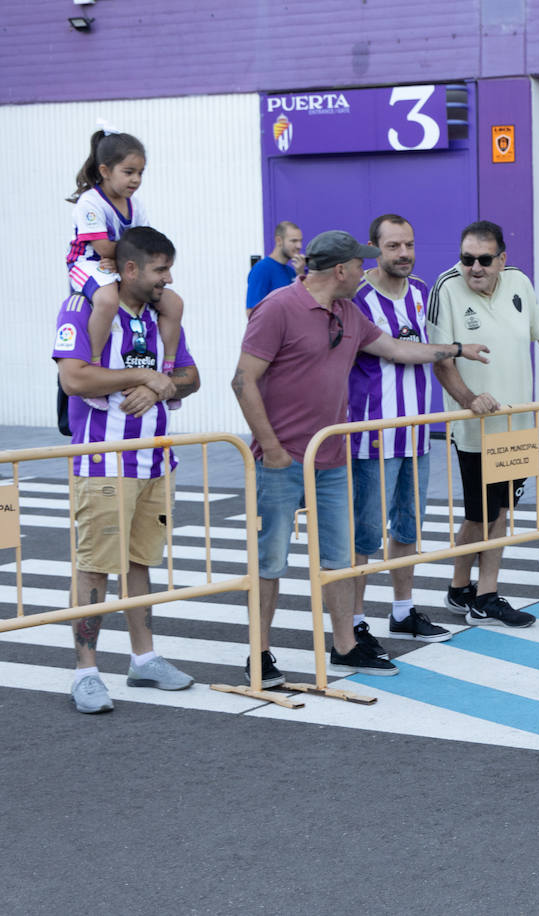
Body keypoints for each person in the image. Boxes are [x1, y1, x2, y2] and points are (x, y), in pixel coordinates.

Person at [232, 230, 489, 685]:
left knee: (340, 560)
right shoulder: (278, 307)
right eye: (360, 264)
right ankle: (260, 653)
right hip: (280, 459)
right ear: (341, 270)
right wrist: (269, 448)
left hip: (331, 457)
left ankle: (345, 647)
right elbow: (243, 380)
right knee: (270, 561)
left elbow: (395, 348)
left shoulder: (347, 312)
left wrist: (453, 350)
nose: (364, 271)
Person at [51, 226, 201, 713]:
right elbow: (73, 378)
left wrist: (161, 387)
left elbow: (189, 376)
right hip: (103, 463)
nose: (169, 278)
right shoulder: (84, 304)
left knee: (140, 562)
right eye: (161, 269)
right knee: (95, 565)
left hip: (156, 460)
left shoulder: (162, 314)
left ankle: (144, 658)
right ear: (131, 269)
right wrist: (144, 375)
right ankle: (85, 672)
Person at [426, 220, 539, 627]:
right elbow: (441, 359)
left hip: (518, 423)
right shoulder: (446, 288)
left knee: (501, 510)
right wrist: (470, 399)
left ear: (502, 260)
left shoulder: (519, 283)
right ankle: (480, 594)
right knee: (480, 514)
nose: (474, 267)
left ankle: (468, 590)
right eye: (467, 258)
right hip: (475, 428)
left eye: (484, 260)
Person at [348, 214, 471, 654]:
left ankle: (402, 610)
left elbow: (436, 360)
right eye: (393, 246)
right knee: (364, 535)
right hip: (372, 435)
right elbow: (401, 351)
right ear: (374, 248)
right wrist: (457, 349)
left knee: (407, 527)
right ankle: (355, 623)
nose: (403, 254)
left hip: (417, 434)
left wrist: (468, 397)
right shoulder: (357, 296)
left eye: (409, 245)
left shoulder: (420, 293)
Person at [65, 128, 184, 411]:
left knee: (174, 303)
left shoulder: (135, 205)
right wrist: (123, 258)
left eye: (140, 173)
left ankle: (167, 367)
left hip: (117, 266)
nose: (136, 180)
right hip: (87, 264)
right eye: (129, 172)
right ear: (105, 170)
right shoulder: (90, 202)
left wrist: (124, 259)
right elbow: (103, 248)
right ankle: (94, 364)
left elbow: (141, 243)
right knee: (106, 300)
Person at [246, 221, 304, 314]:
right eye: (294, 241)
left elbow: (301, 306)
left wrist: (300, 274)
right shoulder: (262, 269)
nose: (299, 246)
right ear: (279, 240)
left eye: (300, 241)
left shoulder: (291, 272)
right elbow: (252, 312)